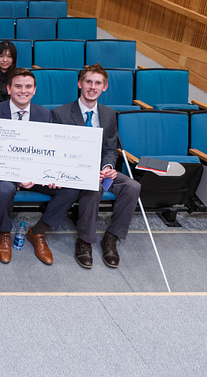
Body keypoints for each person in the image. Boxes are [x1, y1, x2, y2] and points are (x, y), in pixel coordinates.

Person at [0, 68, 80, 265]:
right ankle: (4, 232)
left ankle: (38, 232)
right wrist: (18, 176)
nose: (23, 91)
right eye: (18, 86)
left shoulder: (44, 114)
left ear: (34, 90)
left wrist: (49, 175)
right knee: (3, 188)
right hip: (4, 172)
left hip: (35, 175)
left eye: (28, 87)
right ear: (9, 89)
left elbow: (48, 151)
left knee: (71, 186)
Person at [52, 64, 141, 269]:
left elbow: (110, 148)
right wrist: (88, 171)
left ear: (105, 87)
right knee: (94, 187)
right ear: (80, 84)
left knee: (133, 186)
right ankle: (84, 240)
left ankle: (111, 236)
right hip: (75, 170)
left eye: (98, 83)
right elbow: (57, 150)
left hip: (101, 169)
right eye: (89, 82)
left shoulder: (109, 114)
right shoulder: (61, 113)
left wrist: (108, 166)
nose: (93, 87)